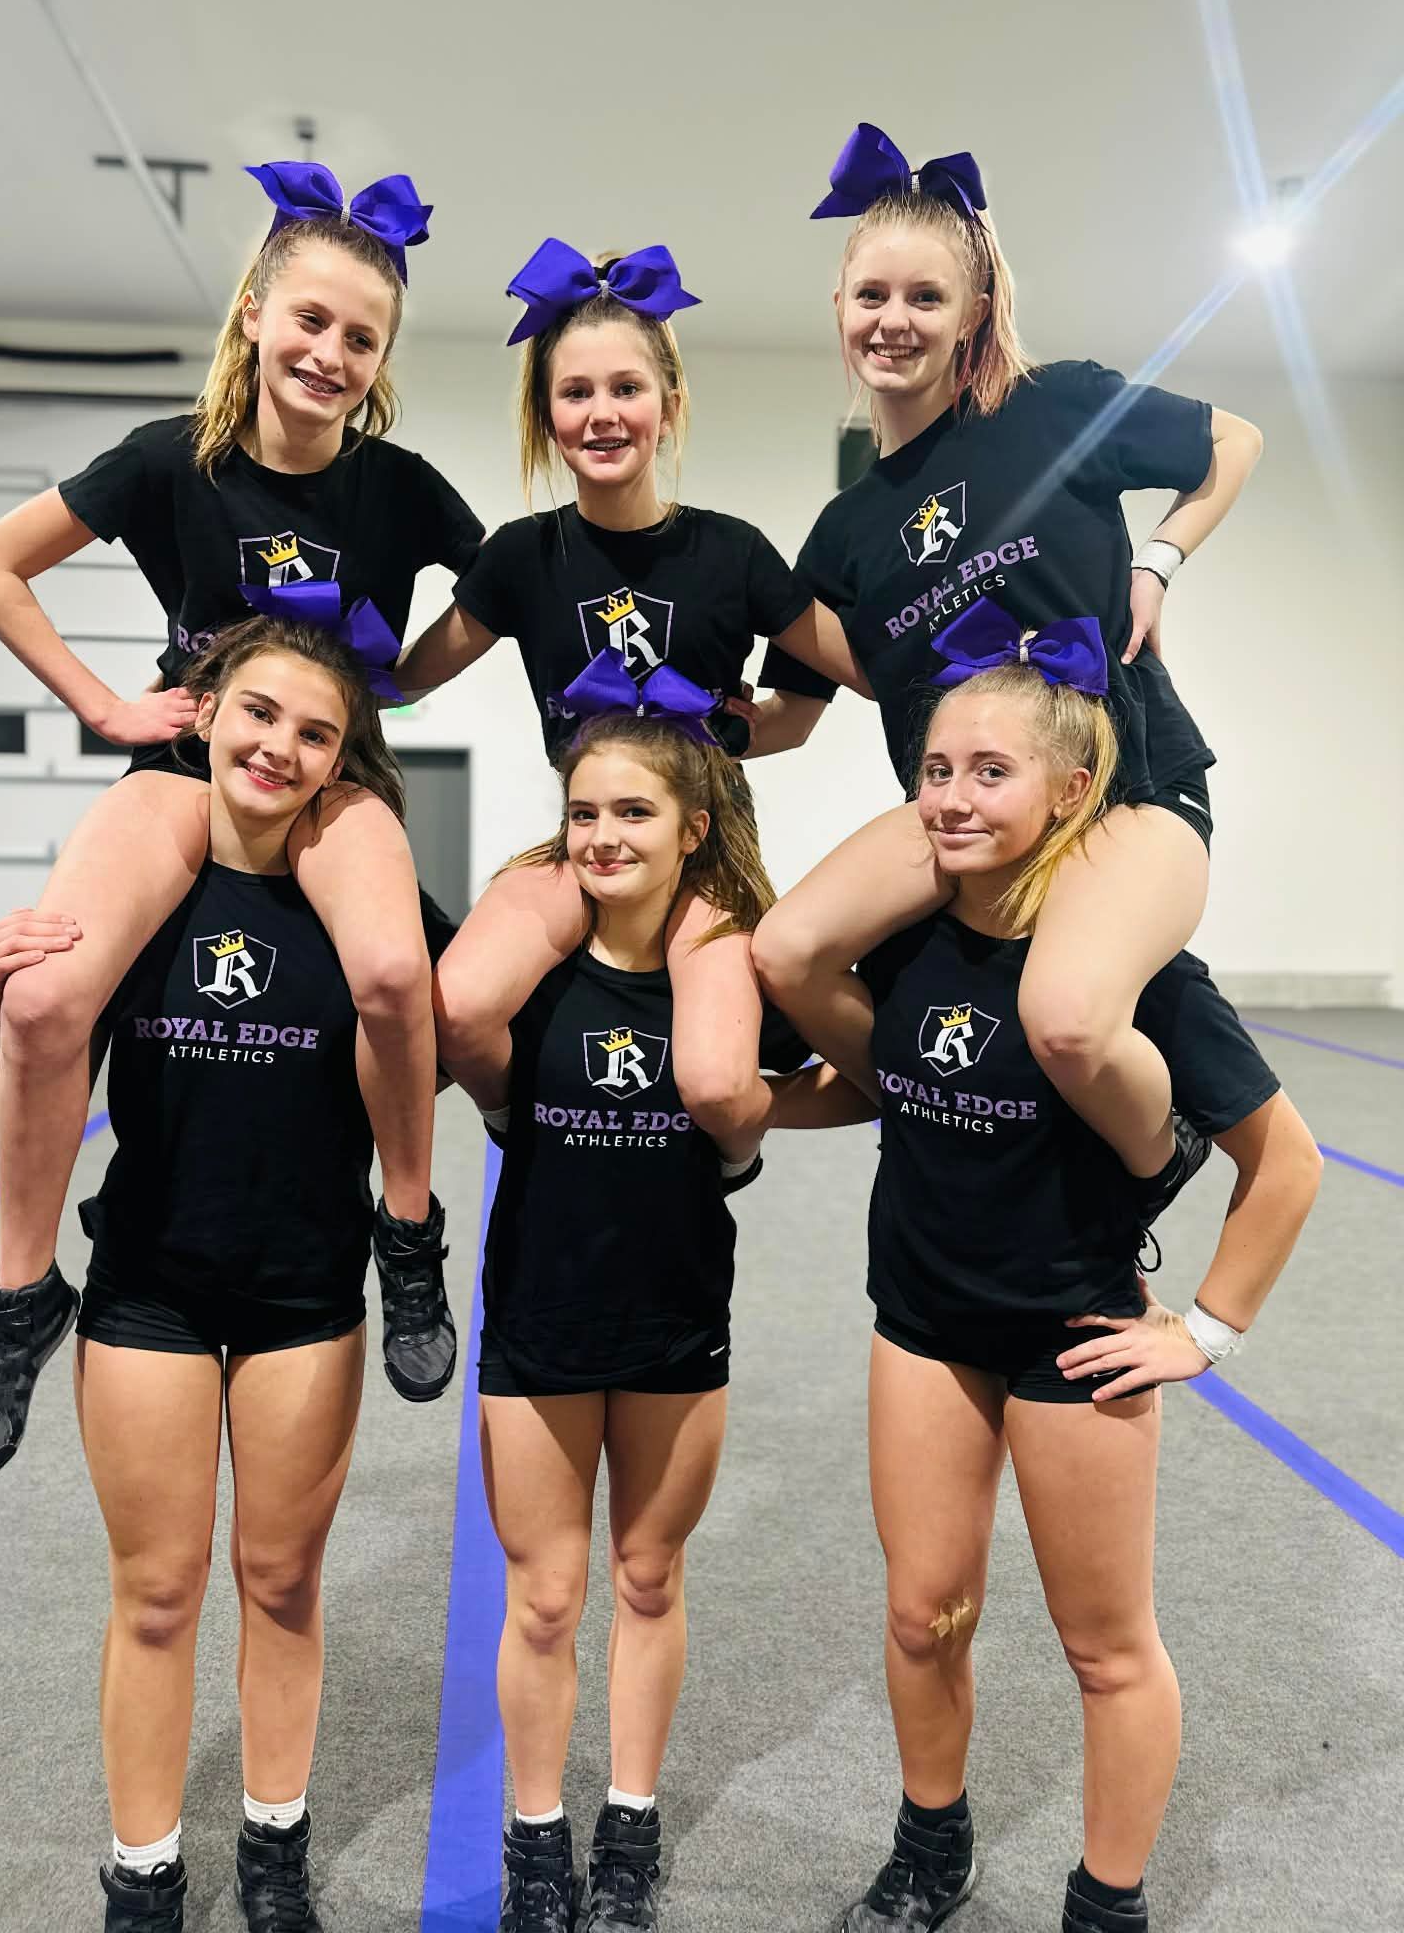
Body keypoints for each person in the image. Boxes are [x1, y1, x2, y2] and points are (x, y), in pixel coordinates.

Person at [0, 161, 482, 1488]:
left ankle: (404, 1233)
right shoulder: (169, 461)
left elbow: (511, 589)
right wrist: (104, 710)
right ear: (255, 313)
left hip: (334, 772)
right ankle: (21, 1293)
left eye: (362, 337)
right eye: (310, 320)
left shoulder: (397, 489)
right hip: (189, 759)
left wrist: (399, 678)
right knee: (54, 998)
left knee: (395, 970)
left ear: (381, 358)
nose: (330, 353)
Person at [766, 645, 1322, 1932]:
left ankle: (1106, 1899)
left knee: (1104, 1643)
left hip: (1076, 1337)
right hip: (922, 1322)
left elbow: (1284, 1164)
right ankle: (930, 1844)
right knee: (923, 1612)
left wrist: (1209, 1328)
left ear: (1072, 792)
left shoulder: (1138, 984)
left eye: (991, 772)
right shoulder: (901, 947)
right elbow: (878, 1080)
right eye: (936, 769)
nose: (953, 796)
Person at [0, 611, 457, 1931]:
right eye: (260, 715)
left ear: (343, 757)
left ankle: (276, 1848)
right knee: (158, 1587)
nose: (281, 746)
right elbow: (45, 1053)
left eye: (316, 731)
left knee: (283, 1579)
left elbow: (444, 1028)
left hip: (305, 1288)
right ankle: (143, 1873)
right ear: (204, 713)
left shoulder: (368, 907)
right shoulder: (143, 885)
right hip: (150, 1284)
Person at [751, 121, 1266, 1202]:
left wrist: (1160, 563)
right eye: (872, 295)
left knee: (1068, 1018)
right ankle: (914, 1095)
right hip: (969, 810)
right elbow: (790, 715)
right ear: (840, 309)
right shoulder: (842, 534)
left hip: (1122, 783)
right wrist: (670, 712)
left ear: (974, 310)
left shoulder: (1053, 407)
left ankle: (1155, 1153)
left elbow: (1234, 441)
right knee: (789, 951)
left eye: (926, 298)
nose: (894, 321)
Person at [392, 236, 865, 1174]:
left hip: (706, 848)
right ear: (546, 412)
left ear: (668, 406)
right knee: (460, 1008)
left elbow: (849, 682)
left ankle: (730, 1162)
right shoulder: (523, 557)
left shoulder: (730, 552)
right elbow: (400, 681)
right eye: (576, 393)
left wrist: (726, 730)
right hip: (590, 838)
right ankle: (508, 1121)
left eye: (626, 389)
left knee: (719, 1086)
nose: (602, 414)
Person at [452, 708, 800, 1933]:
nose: (602, 835)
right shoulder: (530, 968)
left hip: (675, 1318)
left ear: (695, 827)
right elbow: (435, 1026)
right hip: (541, 1314)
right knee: (544, 1596)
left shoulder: (737, 972)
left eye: (634, 811)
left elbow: (829, 1075)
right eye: (584, 812)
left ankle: (631, 1819)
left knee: (648, 1575)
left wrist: (750, 1134)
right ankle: (537, 1836)